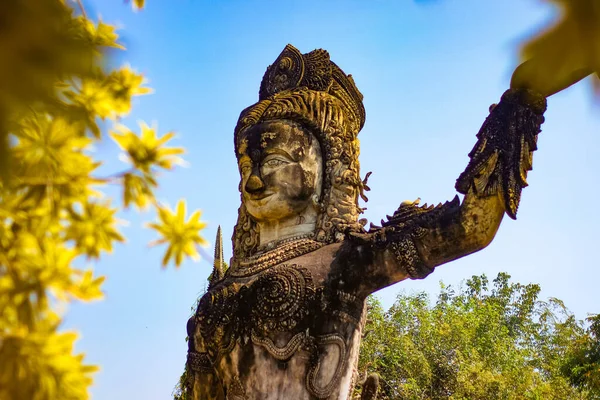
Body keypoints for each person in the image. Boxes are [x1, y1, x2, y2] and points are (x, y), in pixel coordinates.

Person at [185, 44, 547, 399]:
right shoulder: (216, 302)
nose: (253, 181)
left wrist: (518, 108)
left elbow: (471, 228)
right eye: (247, 165)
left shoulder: (346, 260)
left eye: (276, 161)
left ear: (328, 168)